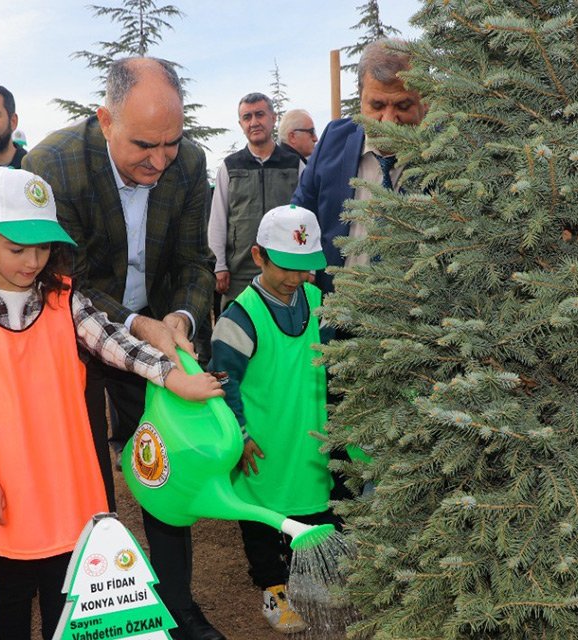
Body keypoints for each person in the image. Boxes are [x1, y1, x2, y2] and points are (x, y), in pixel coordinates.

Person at [0, 168, 223, 640]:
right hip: (6, 470)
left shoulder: (64, 298)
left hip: (65, 467)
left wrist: (171, 376)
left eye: (43, 247)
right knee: (15, 578)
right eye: (17, 248)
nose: (32, 262)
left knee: (65, 575)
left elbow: (114, 343)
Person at [23, 56, 222, 640]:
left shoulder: (188, 162)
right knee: (85, 476)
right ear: (105, 118)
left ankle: (177, 604)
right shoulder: (53, 166)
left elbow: (193, 260)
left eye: (171, 142)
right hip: (74, 340)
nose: (159, 161)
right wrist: (141, 325)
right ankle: (98, 611)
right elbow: (67, 282)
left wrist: (181, 318)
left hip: (160, 336)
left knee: (166, 466)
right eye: (143, 144)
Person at [209, 204, 339, 635]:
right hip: (262, 445)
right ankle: (273, 589)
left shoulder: (320, 302)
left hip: (310, 439)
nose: (296, 278)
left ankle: (314, 581)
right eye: (286, 266)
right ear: (258, 255)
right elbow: (224, 383)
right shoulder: (238, 318)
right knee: (262, 523)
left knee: (318, 516)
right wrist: (239, 436)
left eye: (307, 268)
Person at [292, 39, 427, 294]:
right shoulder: (333, 139)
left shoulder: (449, 153)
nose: (387, 122)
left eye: (402, 106)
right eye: (376, 106)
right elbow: (301, 214)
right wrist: (304, 271)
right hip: (331, 315)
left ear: (425, 100)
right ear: (360, 98)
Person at [208, 92, 304, 306]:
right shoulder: (230, 167)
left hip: (286, 269)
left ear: (273, 118)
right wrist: (219, 265)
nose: (254, 122)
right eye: (247, 117)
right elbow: (218, 220)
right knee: (237, 335)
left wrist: (310, 266)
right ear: (241, 124)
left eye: (259, 115)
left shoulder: (294, 165)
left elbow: (308, 217)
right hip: (239, 274)